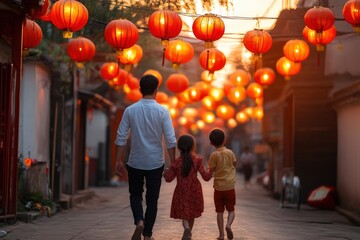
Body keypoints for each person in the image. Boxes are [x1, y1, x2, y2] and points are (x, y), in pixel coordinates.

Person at [114, 74, 177, 240]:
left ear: (140, 89)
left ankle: (139, 221)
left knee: (135, 195)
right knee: (152, 200)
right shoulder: (163, 111)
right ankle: (148, 235)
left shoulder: (130, 110)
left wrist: (118, 160)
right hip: (156, 163)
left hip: (135, 161)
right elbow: (170, 140)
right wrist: (172, 164)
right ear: (157, 90)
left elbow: (121, 136)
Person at [163, 135, 212, 240]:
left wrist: (165, 172)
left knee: (184, 213)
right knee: (191, 214)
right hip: (195, 191)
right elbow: (206, 177)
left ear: (179, 147)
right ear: (192, 146)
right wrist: (212, 170)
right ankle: (189, 232)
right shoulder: (198, 160)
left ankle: (186, 229)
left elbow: (169, 178)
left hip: (181, 191)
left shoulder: (177, 162)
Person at [208, 129, 237, 240]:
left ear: (211, 143)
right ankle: (228, 225)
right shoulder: (230, 152)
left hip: (218, 188)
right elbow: (235, 163)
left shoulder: (213, 155)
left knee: (219, 211)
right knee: (231, 210)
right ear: (224, 140)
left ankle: (221, 235)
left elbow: (212, 169)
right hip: (229, 186)